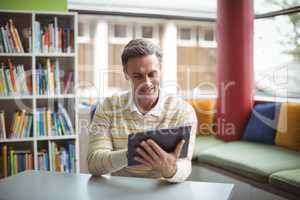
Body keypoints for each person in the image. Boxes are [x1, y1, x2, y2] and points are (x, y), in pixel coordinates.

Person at [87, 38, 197, 183]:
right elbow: (94, 164)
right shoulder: (108, 107)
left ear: (161, 70)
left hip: (163, 191)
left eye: (152, 74)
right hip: (120, 192)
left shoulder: (183, 111)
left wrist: (171, 169)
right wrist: (134, 153)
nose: (147, 83)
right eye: (138, 76)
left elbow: (185, 166)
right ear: (126, 73)